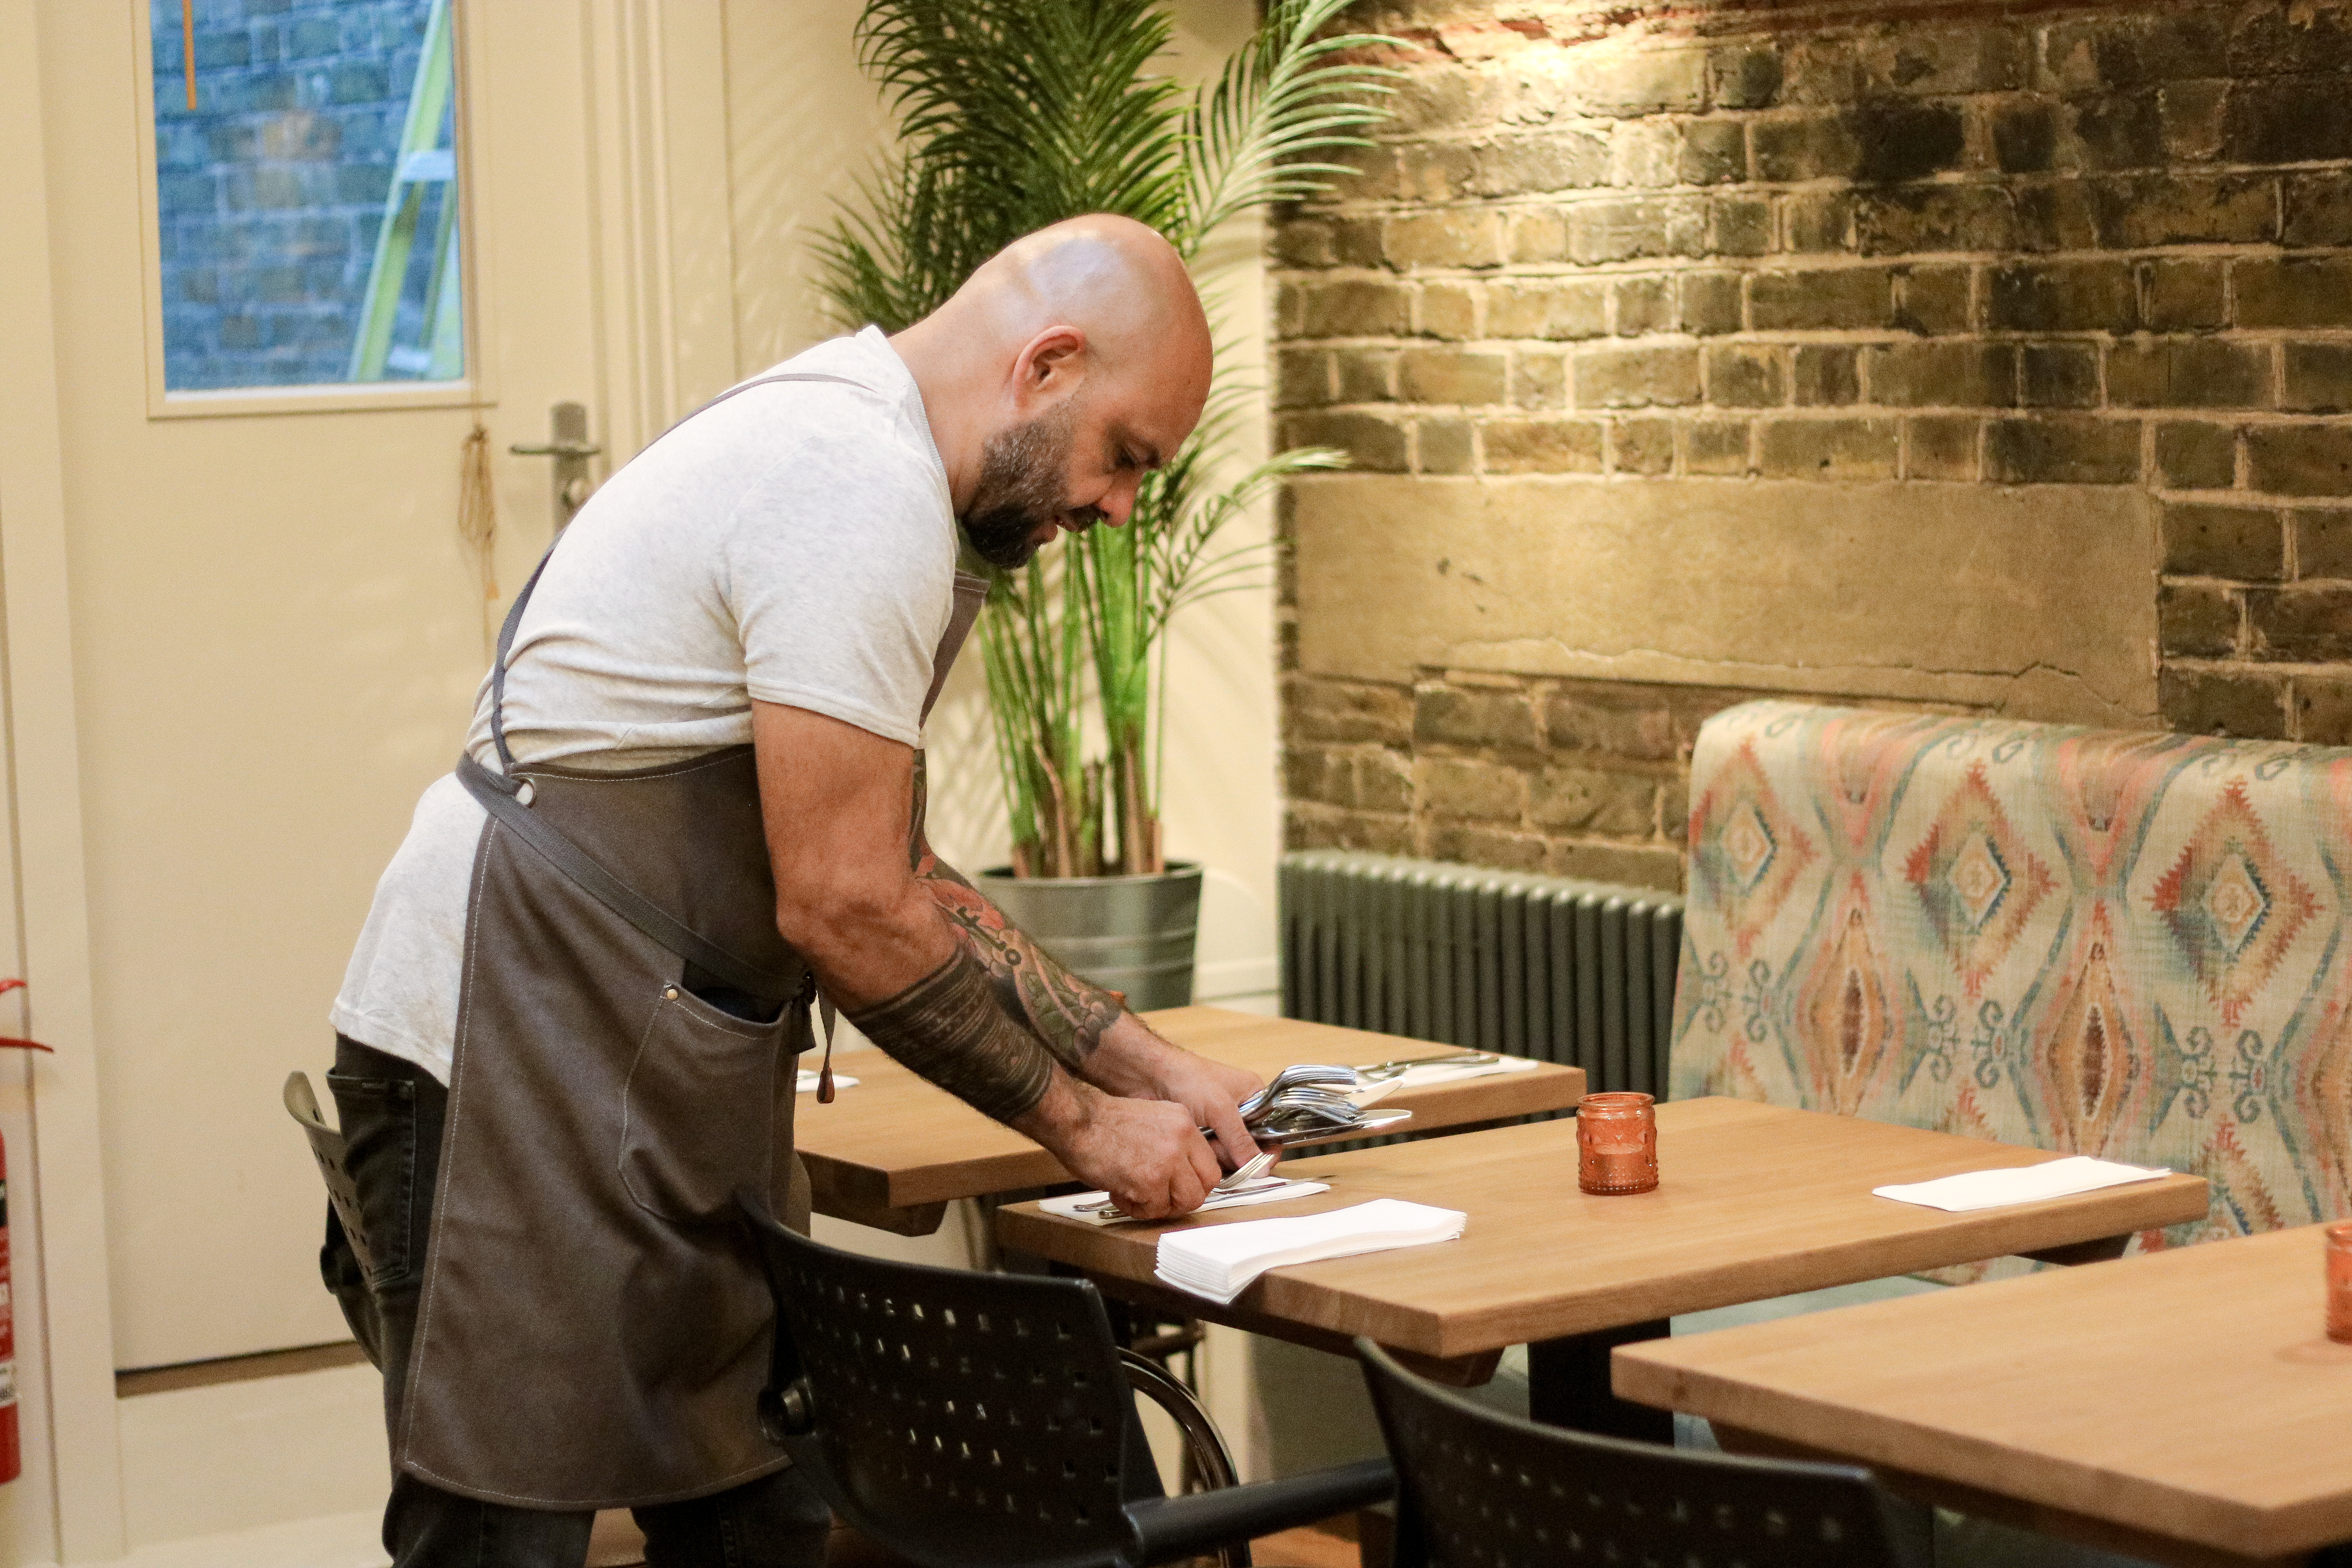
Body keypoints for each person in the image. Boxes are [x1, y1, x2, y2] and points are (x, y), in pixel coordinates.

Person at [316, 214, 1263, 1568]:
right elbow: (847, 908)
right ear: (1048, 365)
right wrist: (1088, 1130)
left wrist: (1147, 1064)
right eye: (1126, 455)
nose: (1118, 510)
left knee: (756, 1515)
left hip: (630, 1068)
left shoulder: (872, 458)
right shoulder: (854, 481)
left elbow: (899, 868)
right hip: (504, 1055)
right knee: (499, 1532)